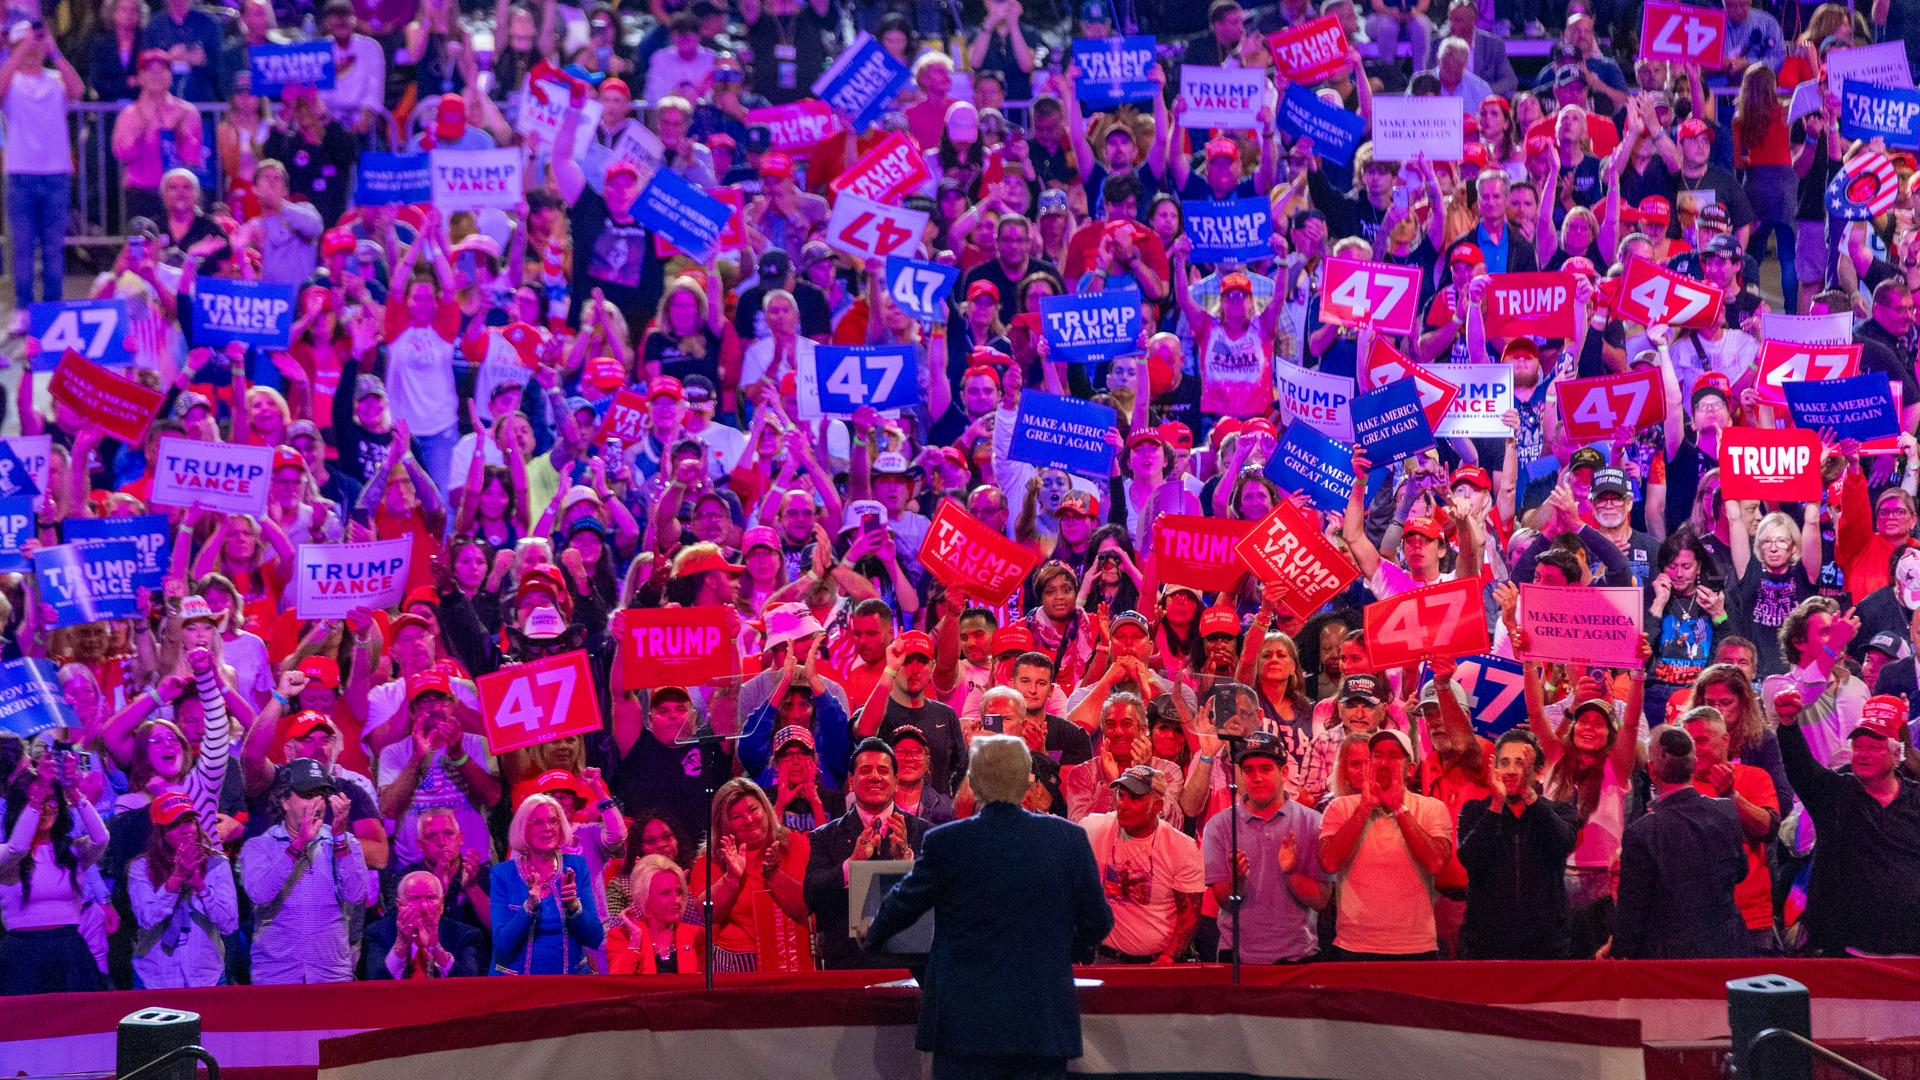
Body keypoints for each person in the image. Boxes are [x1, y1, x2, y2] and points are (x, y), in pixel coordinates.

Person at [867, 736, 1113, 1080]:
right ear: (1028, 780)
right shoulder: (1068, 839)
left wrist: (871, 935)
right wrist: (1058, 948)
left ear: (974, 782)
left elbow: (901, 908)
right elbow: (1099, 922)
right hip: (1041, 1023)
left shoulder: (946, 842)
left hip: (963, 1027)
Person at [1775, 690, 1920, 956]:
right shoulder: (1835, 795)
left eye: (1873, 747)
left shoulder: (1916, 799)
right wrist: (1787, 725)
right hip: (1845, 952)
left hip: (1911, 953)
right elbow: (1801, 768)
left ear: (1896, 753)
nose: (1862, 754)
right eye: (1858, 746)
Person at [1605, 727, 1749, 960]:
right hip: (1727, 952)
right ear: (1693, 764)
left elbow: (1633, 911)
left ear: (1652, 770)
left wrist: (1618, 952)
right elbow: (1741, 872)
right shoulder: (1726, 812)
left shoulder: (1642, 833)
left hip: (1668, 963)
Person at [1317, 729, 1455, 960]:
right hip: (1354, 946)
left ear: (1410, 769)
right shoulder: (1340, 808)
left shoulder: (1432, 808)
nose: (1383, 762)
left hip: (1415, 947)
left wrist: (1399, 808)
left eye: (1393, 756)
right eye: (1377, 755)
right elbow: (1329, 863)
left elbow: (1435, 863)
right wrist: (1364, 808)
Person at [239, 758, 371, 985]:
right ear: (285, 801)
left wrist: (339, 837)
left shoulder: (345, 843)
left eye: (321, 794)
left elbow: (355, 895)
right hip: (276, 977)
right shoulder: (259, 846)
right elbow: (260, 895)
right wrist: (298, 844)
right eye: (308, 794)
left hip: (331, 976)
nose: (317, 803)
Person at [1201, 731, 1329, 965]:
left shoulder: (1313, 823)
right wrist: (1237, 879)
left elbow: (1321, 901)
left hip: (1298, 958)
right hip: (1237, 958)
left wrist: (1291, 874)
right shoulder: (1219, 827)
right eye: (1249, 770)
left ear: (1284, 773)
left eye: (1265, 768)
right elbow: (1225, 902)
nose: (1257, 777)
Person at [804, 737, 930, 969]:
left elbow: (935, 898)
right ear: (851, 781)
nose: (874, 776)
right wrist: (853, 864)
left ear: (895, 780)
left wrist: (905, 862)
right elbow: (812, 895)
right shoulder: (824, 836)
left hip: (909, 967)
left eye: (883, 770)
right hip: (847, 969)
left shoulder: (925, 833)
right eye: (865, 770)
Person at [1455, 730, 1578, 959]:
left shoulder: (1560, 811)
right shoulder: (1475, 810)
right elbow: (1470, 858)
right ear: (1494, 770)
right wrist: (1496, 806)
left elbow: (1563, 843)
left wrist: (1530, 797)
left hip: (1546, 947)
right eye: (1504, 763)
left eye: (1520, 763)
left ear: (1538, 771)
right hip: (1485, 947)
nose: (1511, 771)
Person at [1080, 765, 1204, 964]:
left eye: (1135, 798)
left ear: (1157, 806)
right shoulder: (1093, 828)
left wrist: (1166, 959)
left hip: (1156, 962)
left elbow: (1188, 917)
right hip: (1105, 957)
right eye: (1121, 795)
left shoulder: (1181, 848)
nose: (1124, 804)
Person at [127, 792, 239, 988]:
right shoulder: (140, 868)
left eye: (189, 821)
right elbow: (146, 918)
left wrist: (201, 887)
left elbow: (229, 924)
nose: (186, 829)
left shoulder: (216, 863)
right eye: (175, 824)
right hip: (156, 979)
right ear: (159, 831)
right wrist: (176, 880)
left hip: (206, 977)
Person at [488, 793, 605, 974]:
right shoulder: (503, 874)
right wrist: (530, 907)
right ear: (523, 829)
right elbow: (502, 945)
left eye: (553, 821)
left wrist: (574, 907)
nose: (547, 828)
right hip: (516, 987)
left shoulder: (576, 867)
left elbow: (595, 938)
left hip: (569, 985)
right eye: (538, 822)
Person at [362, 870, 484, 979]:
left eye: (430, 898)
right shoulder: (377, 933)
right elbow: (375, 983)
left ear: (441, 905)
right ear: (399, 905)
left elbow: (469, 984)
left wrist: (436, 948)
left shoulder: (465, 935)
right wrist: (401, 944)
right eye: (414, 898)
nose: (424, 907)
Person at [606, 855, 702, 974]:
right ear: (644, 897)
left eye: (678, 892)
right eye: (666, 893)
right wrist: (635, 941)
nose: (677, 900)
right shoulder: (621, 937)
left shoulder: (697, 936)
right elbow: (618, 984)